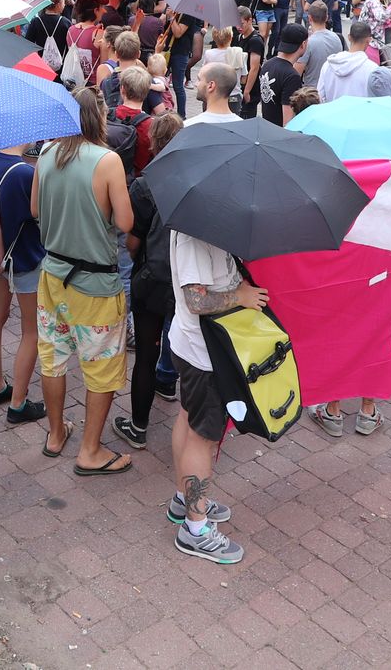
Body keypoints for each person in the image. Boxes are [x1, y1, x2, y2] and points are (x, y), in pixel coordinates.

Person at [31, 88, 135, 476]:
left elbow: (35, 209)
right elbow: (124, 223)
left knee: (53, 357)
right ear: (100, 117)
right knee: (101, 366)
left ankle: (56, 434)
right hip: (94, 283)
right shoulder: (107, 161)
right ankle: (90, 450)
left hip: (52, 275)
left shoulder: (46, 154)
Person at [165, 220, 267, 564]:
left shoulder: (205, 220)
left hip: (196, 347)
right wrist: (239, 295)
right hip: (203, 353)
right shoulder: (195, 232)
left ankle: (185, 499)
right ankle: (196, 529)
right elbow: (196, 299)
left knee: (188, 418)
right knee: (202, 438)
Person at [119, 112, 184, 452]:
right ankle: (185, 417)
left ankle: (138, 426)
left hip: (151, 277)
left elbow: (133, 241)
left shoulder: (144, 185)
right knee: (188, 351)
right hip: (187, 280)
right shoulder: (194, 181)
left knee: (145, 353)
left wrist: (138, 260)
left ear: (153, 142)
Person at [0, 137, 48, 425]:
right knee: (31, 331)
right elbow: (39, 214)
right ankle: (18, 403)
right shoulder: (25, 172)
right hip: (24, 256)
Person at [318, 20, 391, 103]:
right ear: (369, 40)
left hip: (333, 113)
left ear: (349, 37)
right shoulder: (372, 70)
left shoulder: (328, 65)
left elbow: (320, 96)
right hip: (359, 114)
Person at [259, 24, 308, 124]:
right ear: (303, 44)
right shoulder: (292, 76)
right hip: (279, 135)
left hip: (266, 129)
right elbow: (288, 121)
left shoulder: (267, 65)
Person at [299, 1, 338, 88]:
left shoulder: (308, 43)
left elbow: (297, 72)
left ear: (309, 18)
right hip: (332, 88)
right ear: (326, 17)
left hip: (312, 91)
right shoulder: (336, 38)